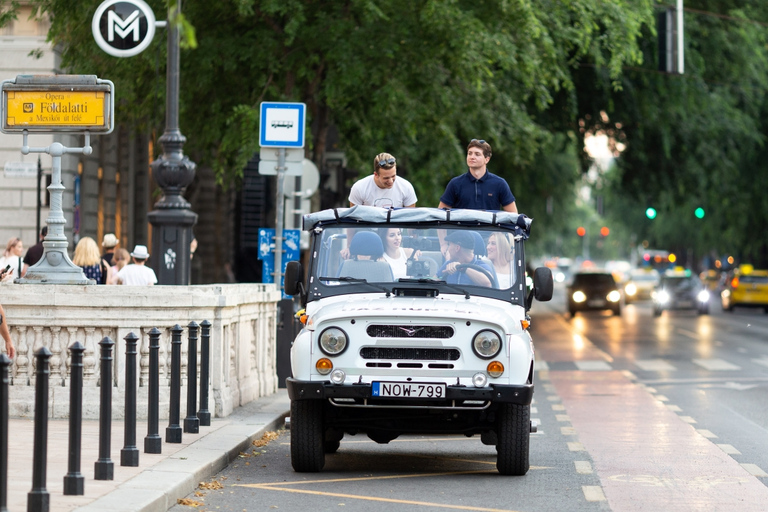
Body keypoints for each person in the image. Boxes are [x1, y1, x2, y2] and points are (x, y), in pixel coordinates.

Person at [438, 139, 517, 212]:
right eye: (470, 153)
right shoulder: (455, 183)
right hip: (462, 227)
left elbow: (513, 215)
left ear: (487, 159)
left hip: (489, 227)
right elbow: (441, 215)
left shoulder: (500, 184)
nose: (472, 157)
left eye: (477, 154)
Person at [348, 152, 417, 208]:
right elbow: (354, 218)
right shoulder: (359, 188)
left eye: (393, 176)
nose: (391, 181)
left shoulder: (406, 187)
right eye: (386, 178)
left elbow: (410, 218)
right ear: (376, 175)